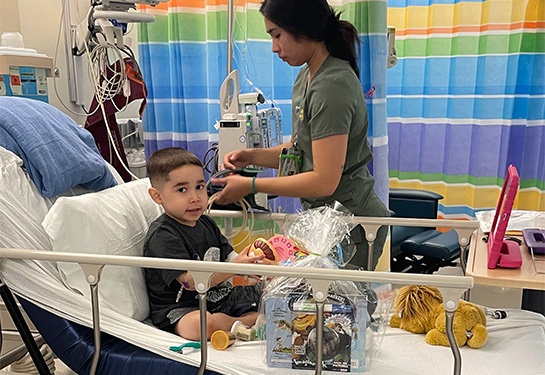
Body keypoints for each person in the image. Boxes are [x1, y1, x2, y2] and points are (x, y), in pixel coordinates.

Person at [211, 0, 390, 270]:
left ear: (303, 29)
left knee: (338, 309)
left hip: (350, 221)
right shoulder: (307, 76)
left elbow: (324, 181)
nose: (274, 47)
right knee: (313, 306)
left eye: (277, 35)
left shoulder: (332, 85)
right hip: (324, 220)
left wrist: (251, 186)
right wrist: (251, 157)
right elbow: (300, 149)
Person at [144, 147, 265, 341]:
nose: (195, 197)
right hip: (183, 309)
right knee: (201, 325)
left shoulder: (206, 222)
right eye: (182, 190)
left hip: (219, 299)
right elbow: (190, 282)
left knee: (272, 293)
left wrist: (252, 263)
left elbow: (229, 256)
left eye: (199, 187)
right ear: (157, 196)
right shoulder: (163, 236)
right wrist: (234, 268)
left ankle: (243, 321)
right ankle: (247, 322)